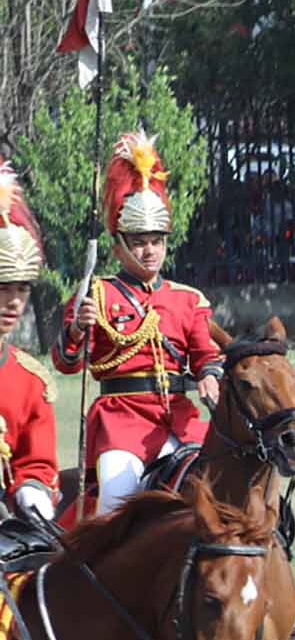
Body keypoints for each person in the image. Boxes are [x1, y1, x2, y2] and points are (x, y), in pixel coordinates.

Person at [56, 132, 224, 521]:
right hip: (121, 422)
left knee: (221, 483)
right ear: (118, 247)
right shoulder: (96, 293)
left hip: (179, 420)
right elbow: (66, 362)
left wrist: (210, 375)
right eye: (140, 242)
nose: (150, 251)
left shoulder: (188, 298)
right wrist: (79, 330)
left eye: (157, 241)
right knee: (117, 498)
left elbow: (205, 354)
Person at [0, 170, 63, 532]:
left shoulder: (31, 380)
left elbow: (37, 463)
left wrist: (31, 491)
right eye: (3, 287)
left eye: (22, 289)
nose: (13, 302)